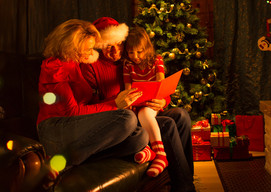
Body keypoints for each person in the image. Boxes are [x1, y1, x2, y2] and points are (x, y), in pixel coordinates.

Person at [81, 17, 195, 192]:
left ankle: (187, 177)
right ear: (99, 46)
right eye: (108, 46)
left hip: (144, 109)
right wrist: (117, 103)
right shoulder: (91, 67)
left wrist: (163, 101)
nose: (115, 50)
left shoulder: (130, 59)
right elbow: (89, 106)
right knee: (168, 125)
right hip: (123, 119)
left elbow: (154, 84)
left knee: (180, 115)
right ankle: (185, 188)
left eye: (119, 44)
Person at [36, 19, 149, 168]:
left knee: (139, 137)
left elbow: (85, 107)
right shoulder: (55, 68)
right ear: (72, 47)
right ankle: (63, 161)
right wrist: (114, 104)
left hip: (77, 124)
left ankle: (77, 157)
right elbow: (72, 112)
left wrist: (118, 100)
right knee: (126, 118)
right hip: (55, 128)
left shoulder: (74, 62)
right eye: (88, 49)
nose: (92, 53)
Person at [123, 26, 168, 177]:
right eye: (131, 52)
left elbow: (160, 83)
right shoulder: (128, 65)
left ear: (147, 48)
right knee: (130, 119)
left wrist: (158, 98)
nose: (135, 56)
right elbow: (128, 89)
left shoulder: (156, 60)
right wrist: (129, 105)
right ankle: (146, 150)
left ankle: (160, 154)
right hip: (136, 103)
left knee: (145, 114)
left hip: (151, 103)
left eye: (139, 51)